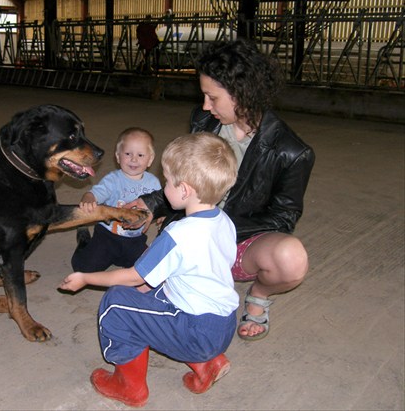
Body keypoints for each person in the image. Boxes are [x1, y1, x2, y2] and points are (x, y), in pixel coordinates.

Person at [128, 38, 316, 342]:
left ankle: (258, 294)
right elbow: (189, 177)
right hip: (194, 232)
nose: (205, 106)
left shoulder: (292, 152)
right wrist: (152, 203)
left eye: (212, 97)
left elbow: (282, 219)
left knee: (291, 259)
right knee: (139, 290)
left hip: (237, 242)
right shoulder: (204, 121)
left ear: (242, 93)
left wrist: (214, 232)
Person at [60, 132, 239, 407]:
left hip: (194, 332)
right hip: (223, 324)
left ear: (185, 190)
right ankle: (209, 364)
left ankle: (129, 386)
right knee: (153, 292)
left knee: (116, 302)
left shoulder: (179, 234)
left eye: (167, 181)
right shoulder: (223, 221)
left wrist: (86, 277)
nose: (163, 186)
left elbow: (132, 276)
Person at [71, 127, 161, 273]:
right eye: (127, 154)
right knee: (83, 268)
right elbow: (96, 193)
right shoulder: (113, 180)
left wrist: (162, 215)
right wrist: (89, 197)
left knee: (148, 270)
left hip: (135, 239)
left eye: (140, 155)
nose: (133, 159)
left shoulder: (154, 184)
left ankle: (125, 258)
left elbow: (159, 205)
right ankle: (84, 241)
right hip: (107, 237)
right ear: (118, 157)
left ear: (150, 159)